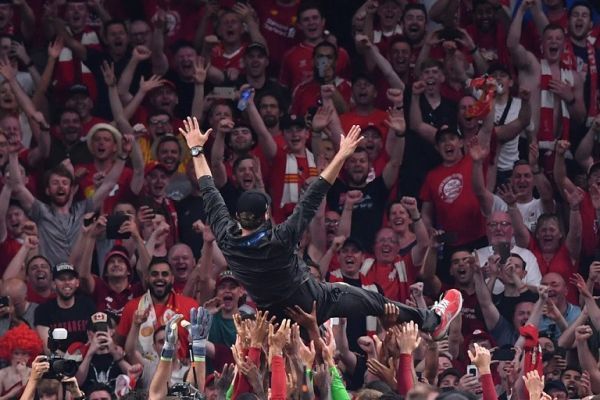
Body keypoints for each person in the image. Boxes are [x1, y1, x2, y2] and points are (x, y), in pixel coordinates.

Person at [179, 115, 462, 339]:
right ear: (266, 215)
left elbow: (208, 188)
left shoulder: (226, 237)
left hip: (274, 317)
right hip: (312, 300)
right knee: (373, 300)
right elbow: (314, 195)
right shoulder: (280, 239)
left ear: (238, 216)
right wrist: (342, 154)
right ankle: (431, 321)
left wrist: (195, 149)